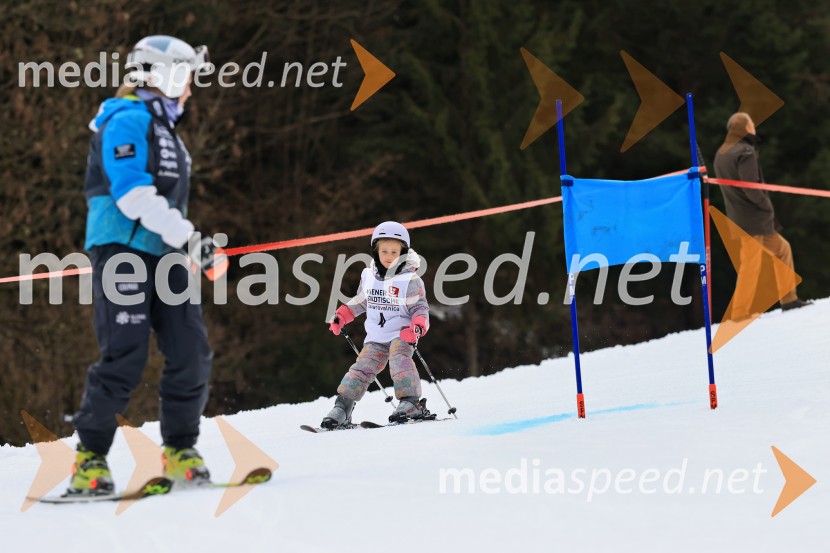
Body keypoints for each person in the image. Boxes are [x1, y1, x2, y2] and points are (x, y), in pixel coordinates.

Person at [69, 36, 226, 495]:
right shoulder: (125, 119)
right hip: (120, 251)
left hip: (167, 256)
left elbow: (167, 206)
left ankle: (179, 448)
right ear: (166, 74)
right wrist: (191, 240)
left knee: (191, 351)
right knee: (126, 354)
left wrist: (189, 247)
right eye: (188, 77)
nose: (191, 89)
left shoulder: (171, 134)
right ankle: (89, 460)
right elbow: (133, 193)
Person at [323, 221, 430, 428]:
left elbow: (421, 309)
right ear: (375, 251)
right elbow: (362, 301)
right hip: (376, 336)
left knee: (399, 360)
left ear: (403, 252)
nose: (389, 256)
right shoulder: (369, 276)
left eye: (394, 252)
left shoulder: (410, 279)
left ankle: (410, 402)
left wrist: (416, 327)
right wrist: (342, 315)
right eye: (384, 251)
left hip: (401, 334)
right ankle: (342, 406)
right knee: (361, 368)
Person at [713, 112, 811, 320]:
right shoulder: (745, 151)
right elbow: (751, 187)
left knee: (782, 249)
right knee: (751, 265)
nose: (754, 127)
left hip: (739, 218)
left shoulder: (722, 152)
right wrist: (766, 205)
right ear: (745, 128)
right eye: (752, 124)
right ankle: (739, 313)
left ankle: (789, 299)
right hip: (753, 219)